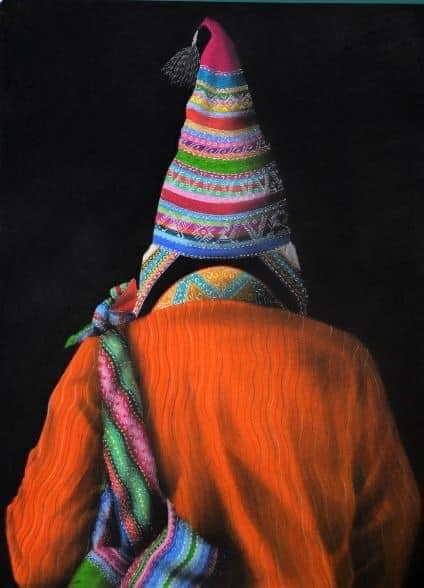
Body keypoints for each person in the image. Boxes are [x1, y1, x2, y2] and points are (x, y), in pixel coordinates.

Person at [6, 17, 420, 587]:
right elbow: (388, 545)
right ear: (278, 265)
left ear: (162, 263)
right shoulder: (346, 365)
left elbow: (38, 562)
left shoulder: (101, 364)